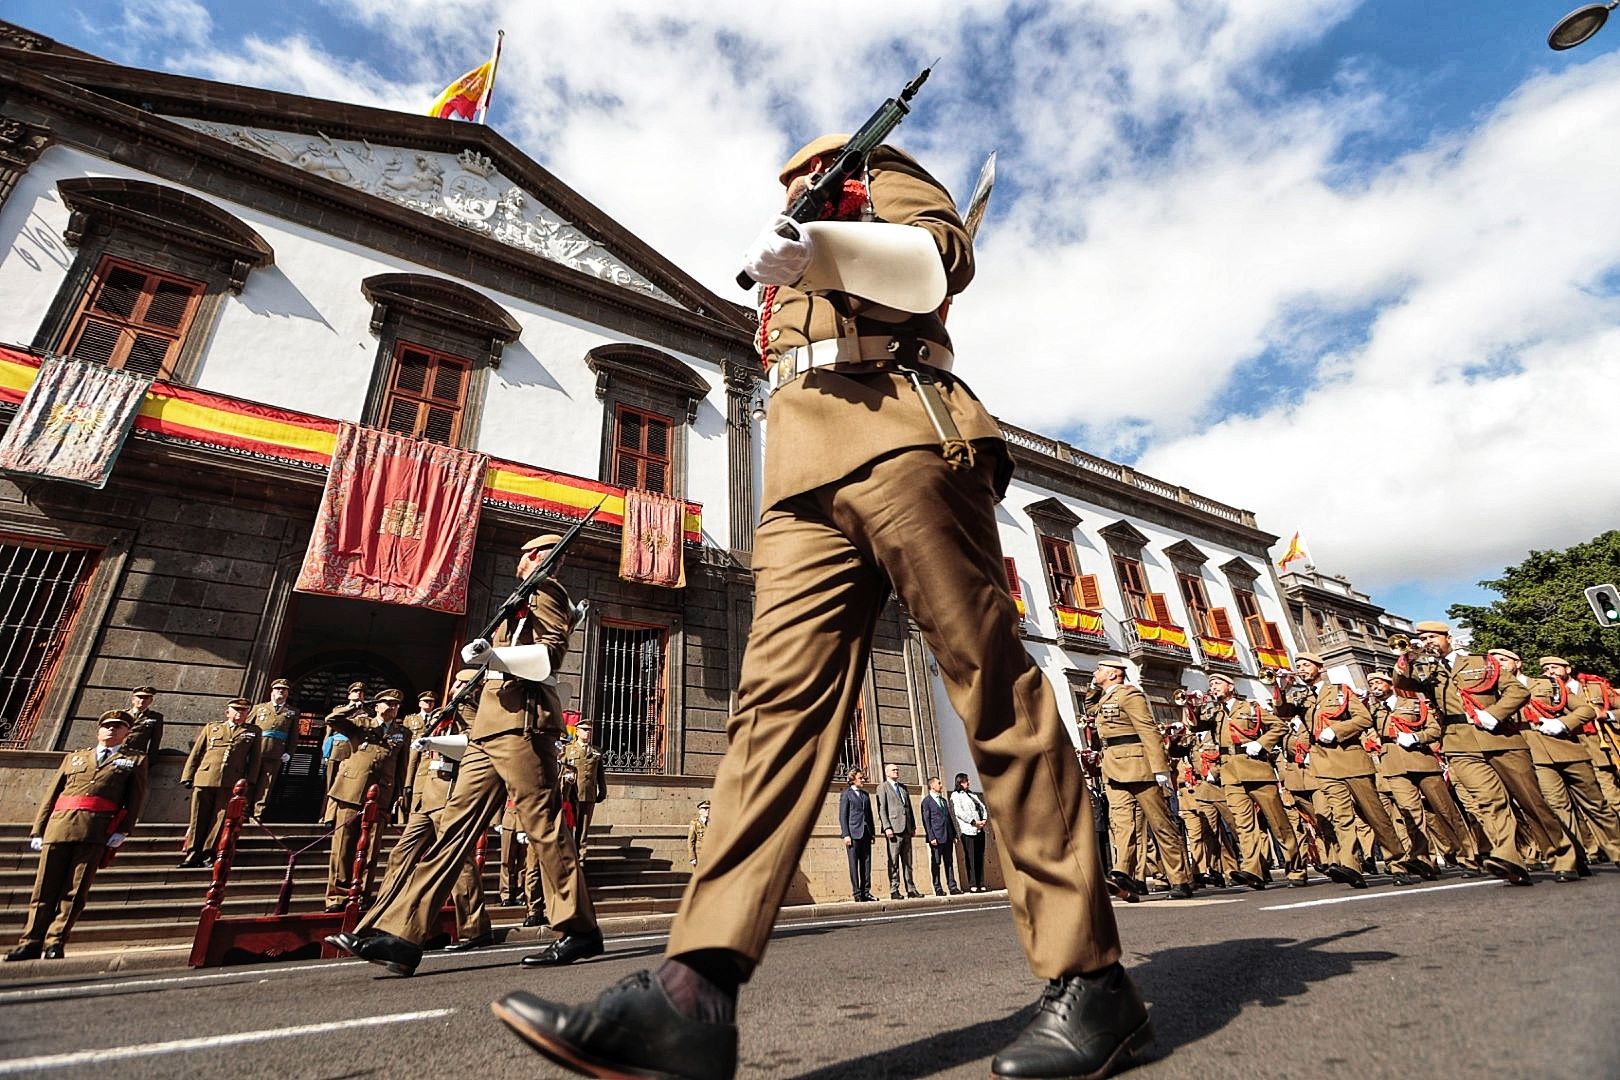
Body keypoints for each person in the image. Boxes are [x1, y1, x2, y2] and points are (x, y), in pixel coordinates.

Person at [491, 135, 1146, 1080]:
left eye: (811, 170)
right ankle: (693, 995)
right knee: (771, 715)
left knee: (989, 685)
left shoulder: (878, 177)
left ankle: (1095, 982)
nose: (799, 182)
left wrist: (825, 246)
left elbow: (939, 262)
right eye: (792, 177)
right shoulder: (802, 223)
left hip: (899, 425)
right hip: (798, 472)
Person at [329, 533, 599, 976]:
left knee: (543, 824)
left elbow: (552, 654)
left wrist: (498, 657)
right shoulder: (522, 598)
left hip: (520, 721)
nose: (524, 558)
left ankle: (579, 928)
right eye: (526, 552)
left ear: (544, 558)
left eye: (532, 553)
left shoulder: (548, 590)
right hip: (486, 727)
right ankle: (401, 935)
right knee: (452, 827)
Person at [1394, 623, 1570, 884]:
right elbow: (1402, 683)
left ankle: (1564, 857)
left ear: (1448, 638)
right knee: (1489, 801)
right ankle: (1510, 858)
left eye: (1432, 636)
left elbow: (1518, 691)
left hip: (1500, 738)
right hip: (1459, 743)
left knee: (1531, 801)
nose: (1427, 641)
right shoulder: (1426, 670)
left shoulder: (1481, 662)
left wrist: (1495, 713)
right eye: (1422, 637)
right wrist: (1407, 657)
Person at [6, 711, 146, 961]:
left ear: (127, 733)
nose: (111, 730)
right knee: (44, 889)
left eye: (118, 727)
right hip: (58, 827)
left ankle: (55, 941)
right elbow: (52, 795)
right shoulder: (75, 758)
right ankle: (30, 941)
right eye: (107, 726)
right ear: (98, 730)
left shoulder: (133, 761)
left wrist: (123, 831)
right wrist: (38, 829)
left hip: (94, 830)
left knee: (75, 890)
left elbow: (133, 800)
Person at [378, 668, 494, 950]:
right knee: (400, 855)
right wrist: (408, 789)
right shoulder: (443, 714)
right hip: (427, 795)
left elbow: (477, 747)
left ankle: (475, 928)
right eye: (454, 682)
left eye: (460, 683)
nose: (453, 687)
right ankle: (381, 922)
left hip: (450, 794)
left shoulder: (476, 715)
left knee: (460, 865)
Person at [1290, 654, 1417, 887]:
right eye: (1298, 666)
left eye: (1306, 665)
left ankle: (1398, 862)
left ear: (1319, 667)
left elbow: (1364, 719)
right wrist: (1278, 687)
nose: (1301, 669)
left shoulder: (1340, 691)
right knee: (1342, 816)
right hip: (1324, 763)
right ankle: (1351, 866)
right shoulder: (1300, 697)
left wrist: (1338, 730)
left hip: (1352, 761)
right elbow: (1282, 711)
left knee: (1375, 815)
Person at [1092, 659, 1193, 901]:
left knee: (1161, 824)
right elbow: (1090, 708)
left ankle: (1180, 879)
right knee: (1122, 823)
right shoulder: (1104, 697)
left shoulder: (1130, 695)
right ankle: (1123, 874)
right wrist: (1094, 686)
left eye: (1100, 669)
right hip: (1113, 766)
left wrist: (1160, 768)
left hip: (1139, 764)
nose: (1095, 672)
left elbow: (1148, 730)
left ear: (1114, 674)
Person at [1365, 671, 1477, 872]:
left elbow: (1434, 730)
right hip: (1393, 765)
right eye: (1371, 683)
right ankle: (1424, 860)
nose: (1374, 686)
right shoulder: (1372, 711)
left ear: (1390, 684)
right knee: (1410, 814)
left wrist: (1417, 737)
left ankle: (1467, 856)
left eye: (1378, 682)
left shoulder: (1413, 704)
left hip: (1421, 760)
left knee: (1445, 811)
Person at [1199, 672, 1301, 889]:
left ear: (1231, 686)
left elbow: (1279, 727)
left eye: (1217, 683)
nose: (1213, 687)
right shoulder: (1215, 713)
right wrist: (1193, 705)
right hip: (1230, 773)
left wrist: (1262, 743)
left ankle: (1295, 869)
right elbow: (1195, 725)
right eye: (1211, 684)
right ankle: (1253, 871)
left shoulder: (1251, 708)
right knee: (1244, 825)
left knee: (1278, 822)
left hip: (1256, 770)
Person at [1521, 656, 1620, 874]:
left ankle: (1616, 850)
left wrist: (1605, 716)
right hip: (1541, 755)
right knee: (1558, 807)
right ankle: (1579, 856)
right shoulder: (1500, 693)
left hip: (1590, 750)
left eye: (1554, 667)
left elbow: (1587, 711)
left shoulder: (1581, 687)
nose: (1549, 671)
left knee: (1601, 803)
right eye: (1545, 668)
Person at [322, 689, 411, 911]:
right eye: (388, 704)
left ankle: (361, 894)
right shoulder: (362, 724)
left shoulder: (402, 733)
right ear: (377, 706)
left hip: (382, 793)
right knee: (344, 846)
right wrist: (354, 706)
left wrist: (398, 795)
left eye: (396, 705)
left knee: (371, 849)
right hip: (352, 791)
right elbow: (332, 720)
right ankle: (337, 896)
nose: (392, 708)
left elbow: (402, 766)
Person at [178, 697, 262, 868]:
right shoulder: (213, 727)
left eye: (243, 711)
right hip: (205, 777)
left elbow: (255, 759)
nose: (239, 713)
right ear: (227, 712)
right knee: (198, 817)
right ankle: (193, 852)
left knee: (220, 818)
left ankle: (210, 852)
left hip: (231, 780)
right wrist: (188, 775)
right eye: (236, 710)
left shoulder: (253, 731)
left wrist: (250, 780)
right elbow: (196, 753)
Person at [249, 678, 297, 819]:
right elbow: (247, 728)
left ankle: (257, 814)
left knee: (266, 784)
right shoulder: (259, 708)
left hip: (276, 753)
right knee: (250, 780)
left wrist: (289, 752)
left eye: (284, 689)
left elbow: (293, 736)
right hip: (256, 750)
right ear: (272, 691)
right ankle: (242, 813)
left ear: (287, 693)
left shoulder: (292, 712)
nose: (280, 691)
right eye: (278, 689)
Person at [561, 720, 608, 856]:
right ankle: (569, 855)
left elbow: (600, 774)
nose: (588, 733)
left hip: (589, 794)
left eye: (589, 730)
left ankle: (581, 857)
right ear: (577, 732)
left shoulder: (596, 751)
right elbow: (562, 771)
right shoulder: (569, 749)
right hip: (572, 794)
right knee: (569, 826)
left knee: (583, 830)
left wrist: (603, 790)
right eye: (585, 730)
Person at [876, 762, 923, 899]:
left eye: (897, 769)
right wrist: (887, 827)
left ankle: (911, 889)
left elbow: (908, 808)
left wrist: (913, 826)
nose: (897, 771)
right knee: (894, 861)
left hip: (906, 829)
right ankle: (894, 889)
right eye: (894, 770)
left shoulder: (903, 788)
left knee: (908, 862)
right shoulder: (882, 788)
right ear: (887, 772)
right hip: (894, 829)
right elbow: (882, 809)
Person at [322, 682, 365, 799]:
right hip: (338, 748)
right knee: (330, 784)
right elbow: (328, 733)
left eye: (361, 692)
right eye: (355, 691)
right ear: (349, 696)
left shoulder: (368, 713)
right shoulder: (339, 709)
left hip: (355, 749)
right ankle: (325, 815)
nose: (359, 693)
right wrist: (325, 753)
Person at [838, 770, 876, 902]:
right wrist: (846, 835)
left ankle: (866, 891)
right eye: (861, 778)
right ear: (853, 779)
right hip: (853, 834)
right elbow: (843, 816)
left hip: (866, 833)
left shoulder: (865, 795)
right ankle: (857, 893)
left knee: (866, 864)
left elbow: (869, 815)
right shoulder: (846, 795)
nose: (863, 780)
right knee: (854, 864)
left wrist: (872, 833)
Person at [920, 776, 960, 895]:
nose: (941, 785)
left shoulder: (943, 801)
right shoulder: (926, 802)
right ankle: (937, 887)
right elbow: (926, 821)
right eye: (939, 783)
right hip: (936, 837)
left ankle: (952, 886)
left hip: (947, 836)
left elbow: (949, 818)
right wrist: (931, 837)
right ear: (932, 786)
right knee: (936, 862)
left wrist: (954, 834)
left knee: (949, 862)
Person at [949, 772, 989, 892]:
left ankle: (981, 882)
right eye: (966, 781)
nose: (968, 783)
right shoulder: (956, 795)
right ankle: (973, 883)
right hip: (968, 830)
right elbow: (959, 813)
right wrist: (973, 822)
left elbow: (982, 807)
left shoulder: (972, 795)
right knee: (970, 857)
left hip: (980, 829)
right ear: (960, 782)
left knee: (979, 856)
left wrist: (984, 820)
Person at [121, 685, 164, 757]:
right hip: (116, 753)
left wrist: (150, 761)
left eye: (146, 698)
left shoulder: (156, 717)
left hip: (137, 756)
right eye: (140, 697)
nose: (142, 700)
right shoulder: (123, 714)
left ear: (150, 701)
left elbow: (155, 741)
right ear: (133, 699)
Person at [687, 800, 711, 868]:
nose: (708, 811)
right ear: (700, 811)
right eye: (705, 809)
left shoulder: (713, 822)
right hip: (699, 855)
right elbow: (691, 841)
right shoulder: (694, 823)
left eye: (709, 808)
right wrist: (692, 857)